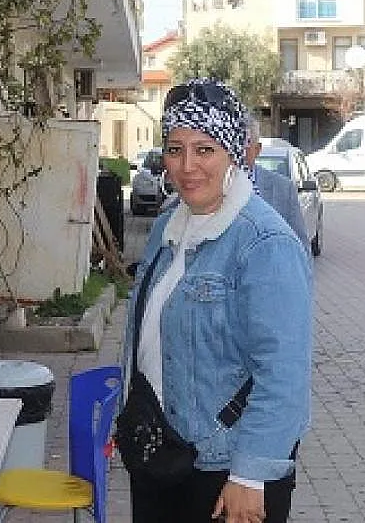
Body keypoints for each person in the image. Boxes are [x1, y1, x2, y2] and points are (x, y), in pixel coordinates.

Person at [124, 78, 312, 523]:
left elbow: (284, 373)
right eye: (175, 149)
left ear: (233, 153)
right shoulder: (169, 226)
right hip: (163, 452)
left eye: (204, 149)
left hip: (227, 470)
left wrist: (251, 474)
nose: (187, 166)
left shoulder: (264, 243)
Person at [243, 113, 310, 254]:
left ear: (257, 149)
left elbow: (300, 247)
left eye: (245, 145)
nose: (238, 152)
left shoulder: (283, 189)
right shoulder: (211, 185)